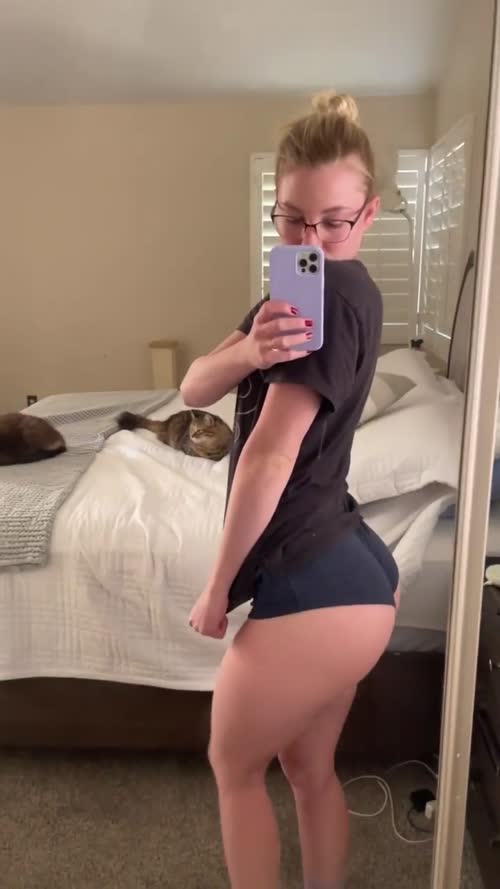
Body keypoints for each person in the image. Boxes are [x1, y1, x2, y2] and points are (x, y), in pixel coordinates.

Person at [182, 90, 400, 889]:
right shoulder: (302, 290)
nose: (310, 241)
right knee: (308, 770)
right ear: (274, 209)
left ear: (368, 214)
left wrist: (216, 590)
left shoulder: (328, 296)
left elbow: (269, 458)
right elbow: (193, 386)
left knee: (232, 767)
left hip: (318, 587)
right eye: (292, 219)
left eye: (333, 222)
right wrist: (248, 351)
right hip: (357, 574)